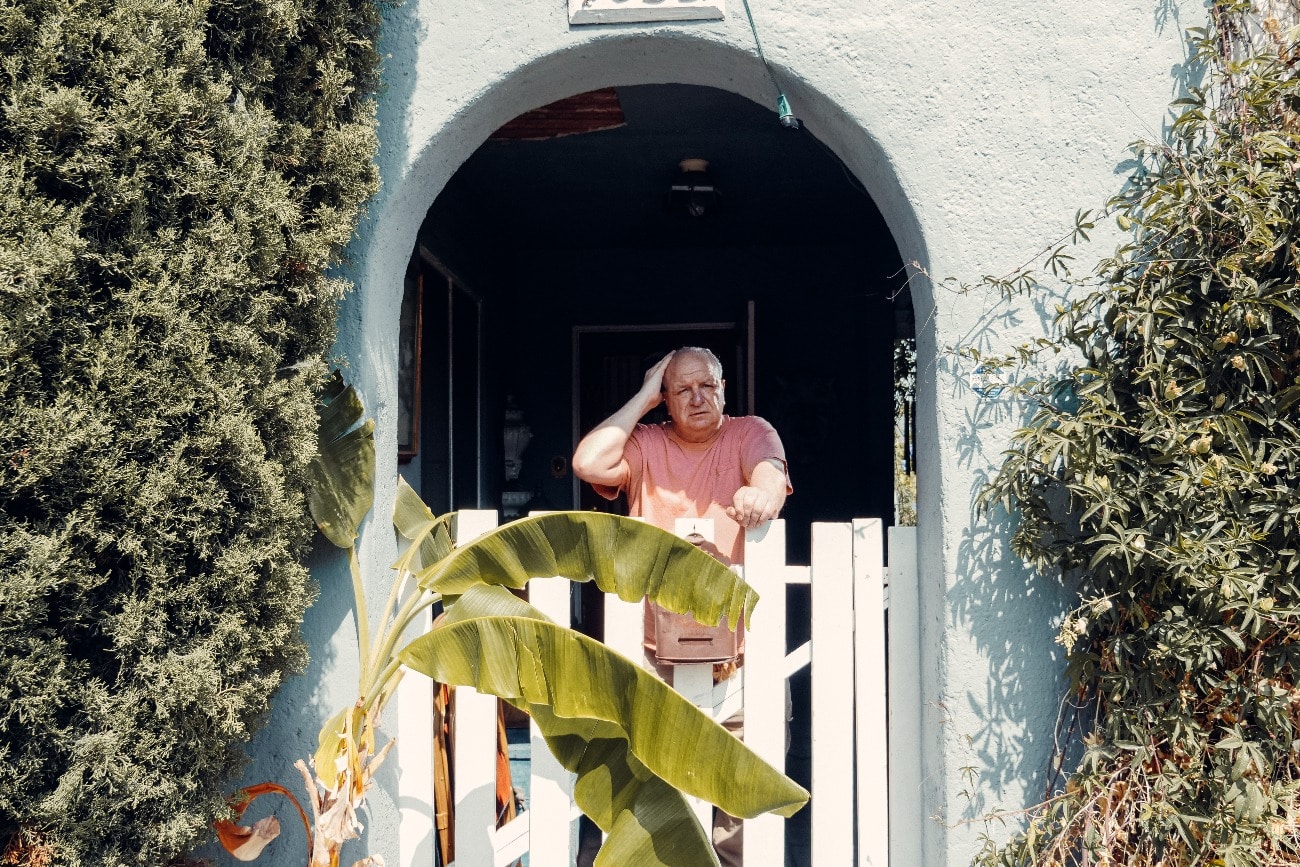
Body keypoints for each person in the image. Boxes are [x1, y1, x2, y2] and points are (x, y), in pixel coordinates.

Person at [571, 346, 791, 866]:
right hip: (653, 657)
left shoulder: (749, 433)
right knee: (656, 807)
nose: (698, 398)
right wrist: (644, 396)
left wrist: (760, 496)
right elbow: (588, 462)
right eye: (682, 389)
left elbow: (768, 476)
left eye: (708, 386)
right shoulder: (646, 442)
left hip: (738, 658)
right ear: (665, 400)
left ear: (723, 390)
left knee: (741, 815)